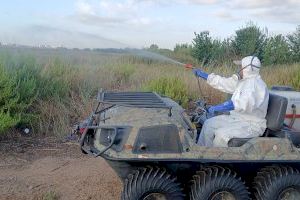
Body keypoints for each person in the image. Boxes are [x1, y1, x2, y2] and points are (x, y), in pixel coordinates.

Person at [193, 56, 269, 147]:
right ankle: (201, 153)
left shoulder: (256, 86)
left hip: (251, 125)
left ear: (247, 68)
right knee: (208, 124)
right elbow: (225, 83)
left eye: (240, 67)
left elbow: (241, 104)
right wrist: (206, 76)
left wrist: (218, 107)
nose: (239, 69)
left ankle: (215, 159)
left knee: (221, 135)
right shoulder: (243, 81)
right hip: (237, 118)